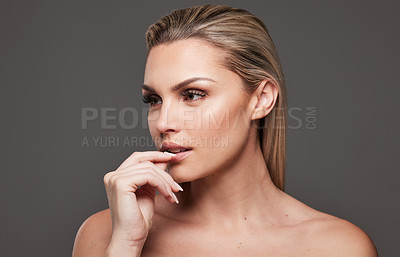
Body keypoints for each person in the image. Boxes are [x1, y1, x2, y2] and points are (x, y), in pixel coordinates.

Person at [72, 4, 378, 257]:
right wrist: (126, 246)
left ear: (261, 99)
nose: (164, 122)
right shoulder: (105, 235)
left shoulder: (335, 247)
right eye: (153, 100)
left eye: (192, 95)